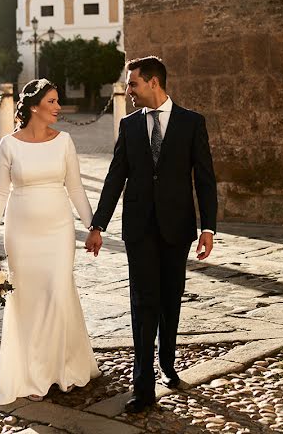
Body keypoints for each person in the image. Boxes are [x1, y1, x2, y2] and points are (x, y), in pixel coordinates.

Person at [86, 56, 217, 413]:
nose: (128, 91)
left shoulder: (192, 123)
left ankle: (168, 362)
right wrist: (98, 224)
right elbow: (115, 178)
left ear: (154, 83)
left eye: (133, 84)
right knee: (143, 303)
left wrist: (208, 227)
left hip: (178, 228)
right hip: (139, 228)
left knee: (170, 299)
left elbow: (204, 179)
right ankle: (143, 387)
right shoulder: (128, 127)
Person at [0, 78, 101, 405]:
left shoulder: (65, 142)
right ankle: (33, 373)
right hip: (22, 234)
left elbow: (75, 188)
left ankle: (64, 369)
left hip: (59, 231)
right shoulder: (9, 145)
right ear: (34, 107)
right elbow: (0, 192)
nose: (58, 107)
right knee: (29, 300)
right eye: (52, 102)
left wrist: (93, 227)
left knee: (58, 292)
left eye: (58, 101)